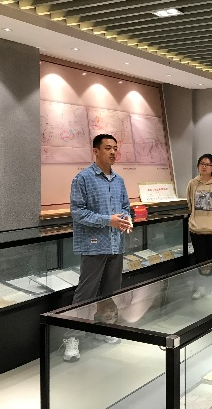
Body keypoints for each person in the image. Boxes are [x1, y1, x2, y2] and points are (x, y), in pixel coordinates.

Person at [63, 134, 132, 362]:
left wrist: (127, 219)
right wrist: (108, 220)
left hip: (116, 244)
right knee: (85, 294)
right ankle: (72, 338)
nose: (113, 152)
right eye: (108, 148)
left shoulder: (119, 180)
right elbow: (78, 212)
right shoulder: (82, 178)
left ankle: (104, 328)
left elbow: (125, 207)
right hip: (93, 246)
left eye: (115, 148)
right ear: (96, 151)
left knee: (110, 291)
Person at [187, 154, 212, 266]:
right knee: (200, 262)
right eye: (202, 164)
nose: (204, 167)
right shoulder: (192, 183)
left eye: (208, 164)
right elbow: (190, 204)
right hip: (197, 229)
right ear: (198, 166)